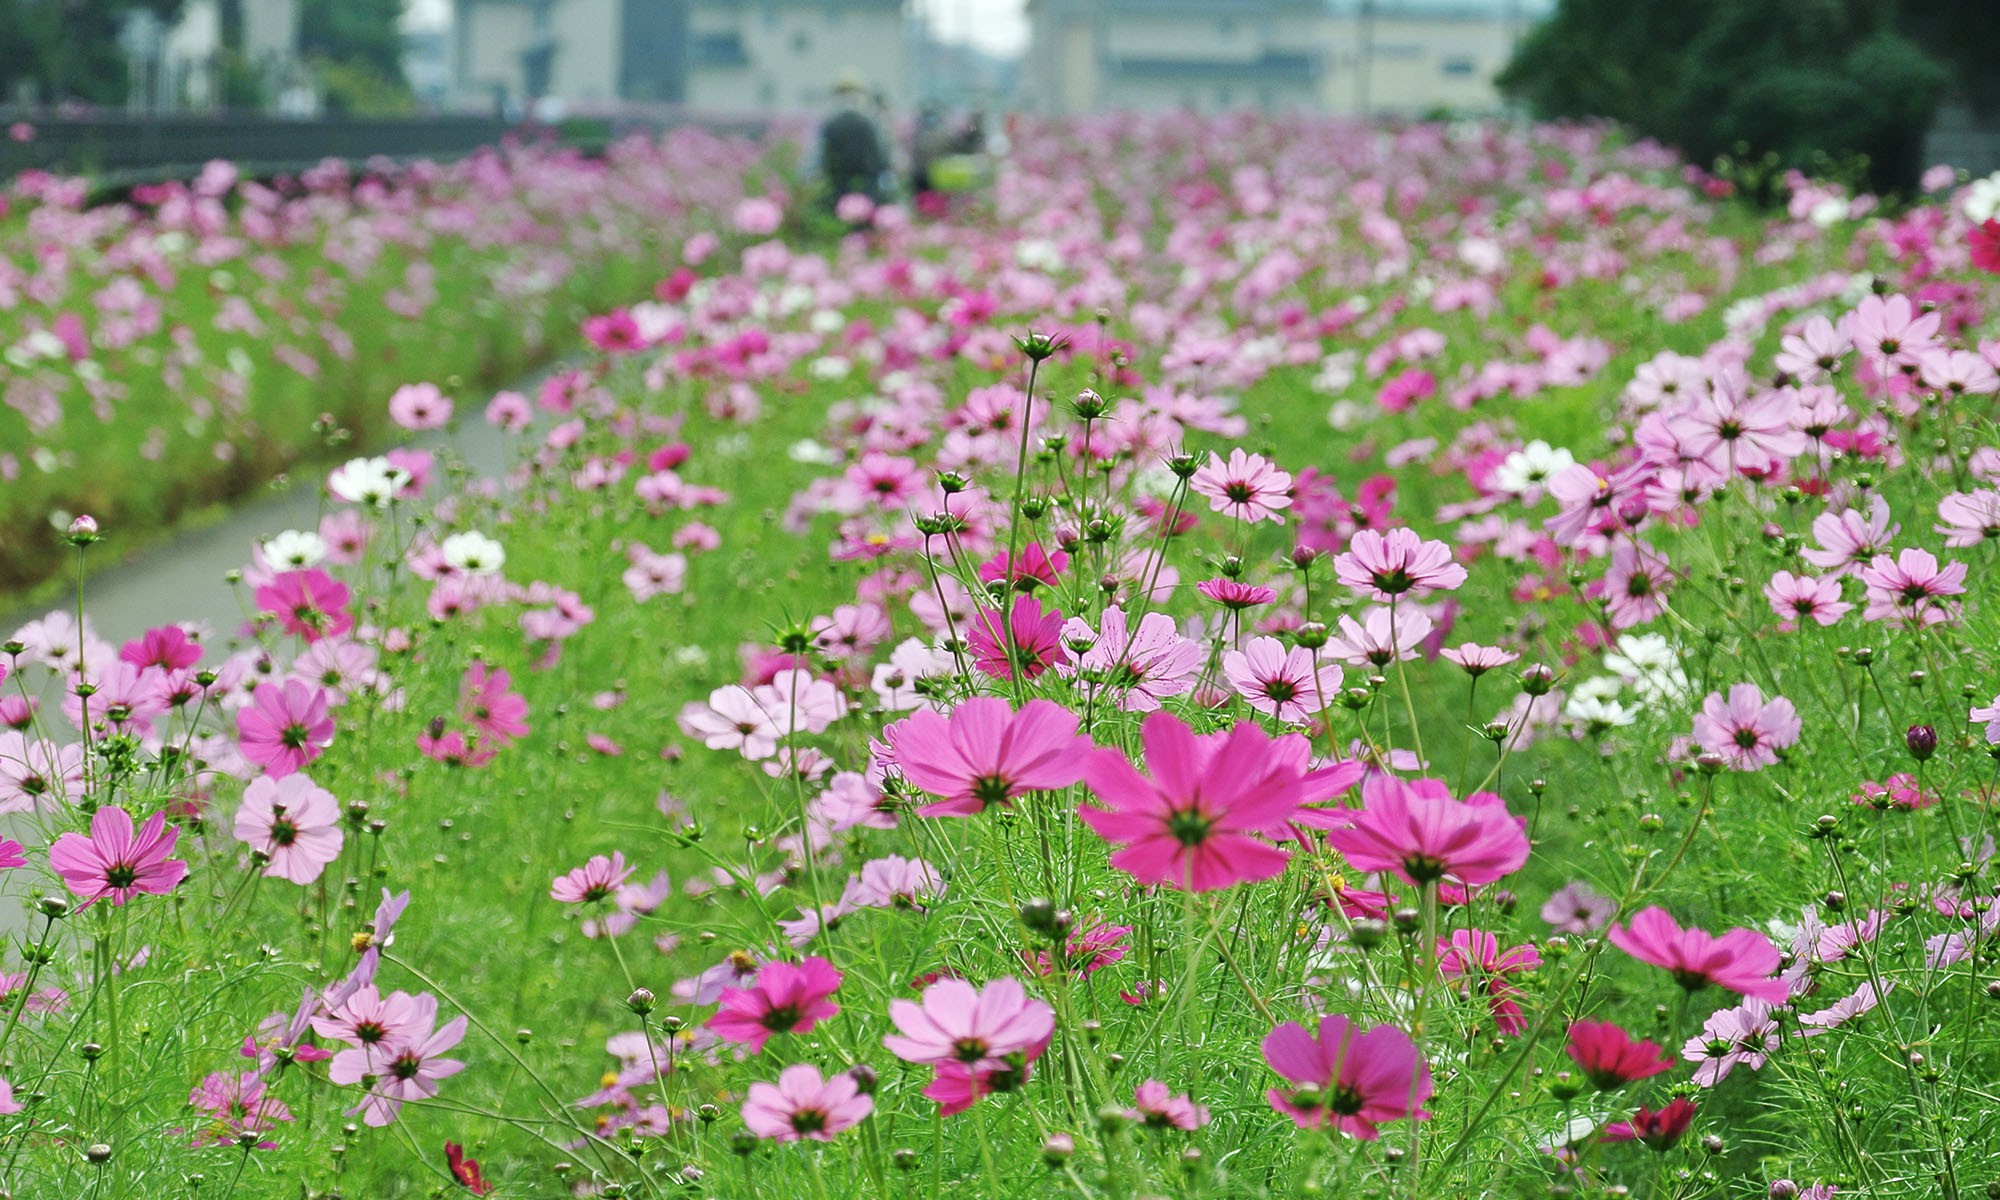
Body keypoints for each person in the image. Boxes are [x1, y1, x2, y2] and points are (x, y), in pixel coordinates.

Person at [815, 70, 890, 217]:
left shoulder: (830, 119)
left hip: (838, 182)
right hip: (868, 181)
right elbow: (884, 150)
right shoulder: (871, 117)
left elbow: (818, 154)